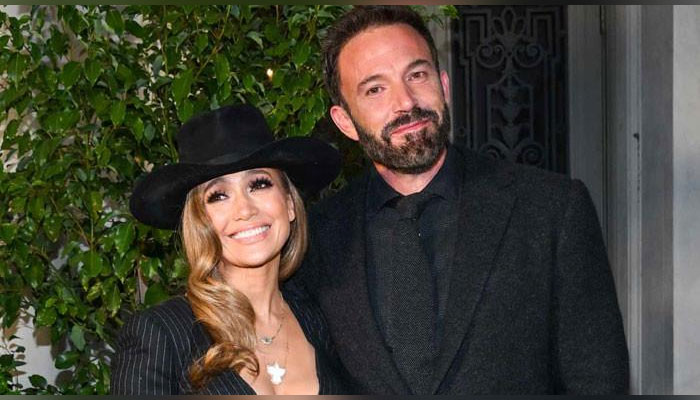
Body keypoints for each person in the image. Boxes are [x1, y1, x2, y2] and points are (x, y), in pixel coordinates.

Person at [290, 6, 629, 395]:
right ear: (345, 121)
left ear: (444, 85)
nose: (406, 102)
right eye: (375, 89)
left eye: (417, 75)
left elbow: (599, 381)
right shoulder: (317, 238)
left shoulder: (552, 209)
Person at [111, 104, 348, 395]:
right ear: (200, 222)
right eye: (219, 196)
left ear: (289, 203)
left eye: (259, 184)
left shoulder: (320, 318)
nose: (245, 210)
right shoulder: (162, 334)